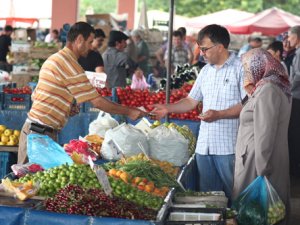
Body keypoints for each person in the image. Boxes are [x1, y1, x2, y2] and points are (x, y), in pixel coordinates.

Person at [17, 22, 147, 164]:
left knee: (35, 183)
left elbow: (36, 95)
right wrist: (129, 112)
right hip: (37, 134)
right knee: (26, 183)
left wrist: (66, 105)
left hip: (40, 132)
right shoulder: (69, 64)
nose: (91, 46)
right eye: (90, 42)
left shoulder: (56, 58)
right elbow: (97, 102)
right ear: (79, 40)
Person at [152, 24, 245, 200]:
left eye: (205, 49)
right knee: (208, 198)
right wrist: (168, 108)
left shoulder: (240, 68)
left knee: (235, 197)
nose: (201, 53)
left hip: (228, 147)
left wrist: (219, 114)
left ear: (220, 47)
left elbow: (246, 105)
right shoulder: (205, 71)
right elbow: (191, 100)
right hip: (204, 146)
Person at [232, 48, 291, 225]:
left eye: (247, 67)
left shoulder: (268, 89)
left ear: (259, 66)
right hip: (257, 159)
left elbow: (265, 133)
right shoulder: (268, 86)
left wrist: (262, 171)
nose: (246, 72)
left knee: (257, 214)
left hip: (257, 164)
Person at [287, 25, 300, 178]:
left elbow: (298, 75)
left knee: (295, 134)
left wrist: (288, 88)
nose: (288, 39)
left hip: (297, 98)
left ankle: (295, 172)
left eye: (290, 36)